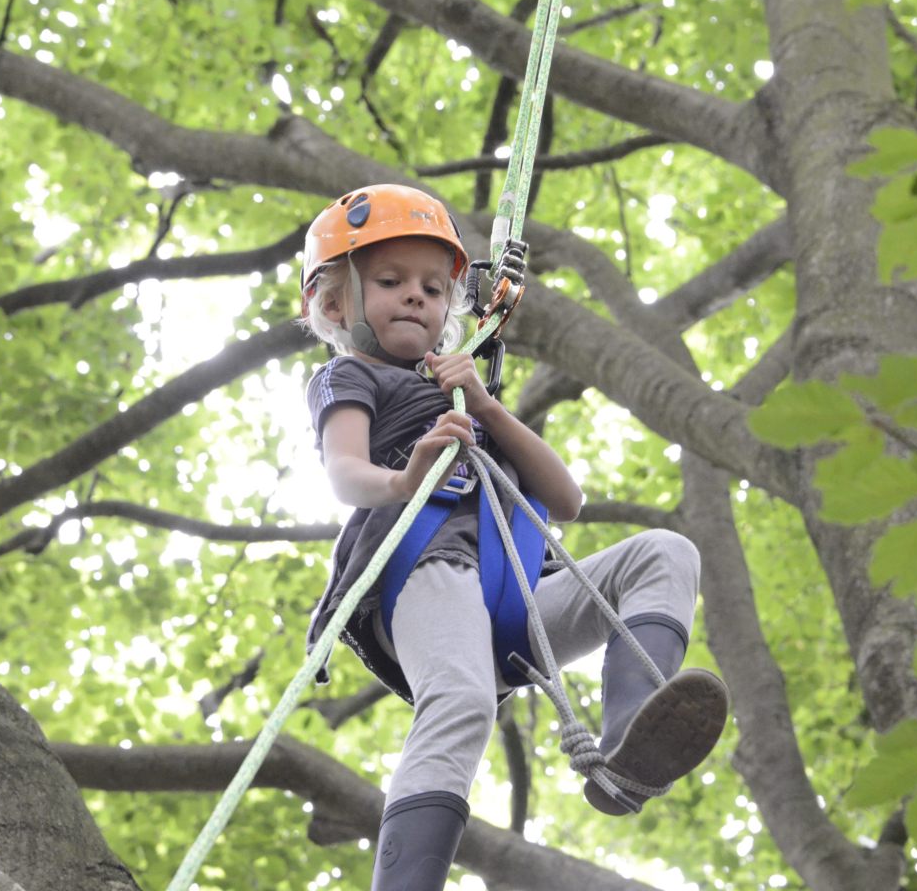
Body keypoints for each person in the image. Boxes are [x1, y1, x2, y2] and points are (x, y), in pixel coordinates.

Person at [299, 184, 729, 890]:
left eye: (433, 288)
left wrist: (486, 406)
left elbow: (566, 501)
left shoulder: (461, 392)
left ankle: (629, 743)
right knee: (462, 703)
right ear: (336, 303)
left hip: (516, 593)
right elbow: (345, 473)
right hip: (426, 571)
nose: (415, 297)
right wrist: (404, 479)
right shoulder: (348, 375)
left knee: (664, 552)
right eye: (390, 281)